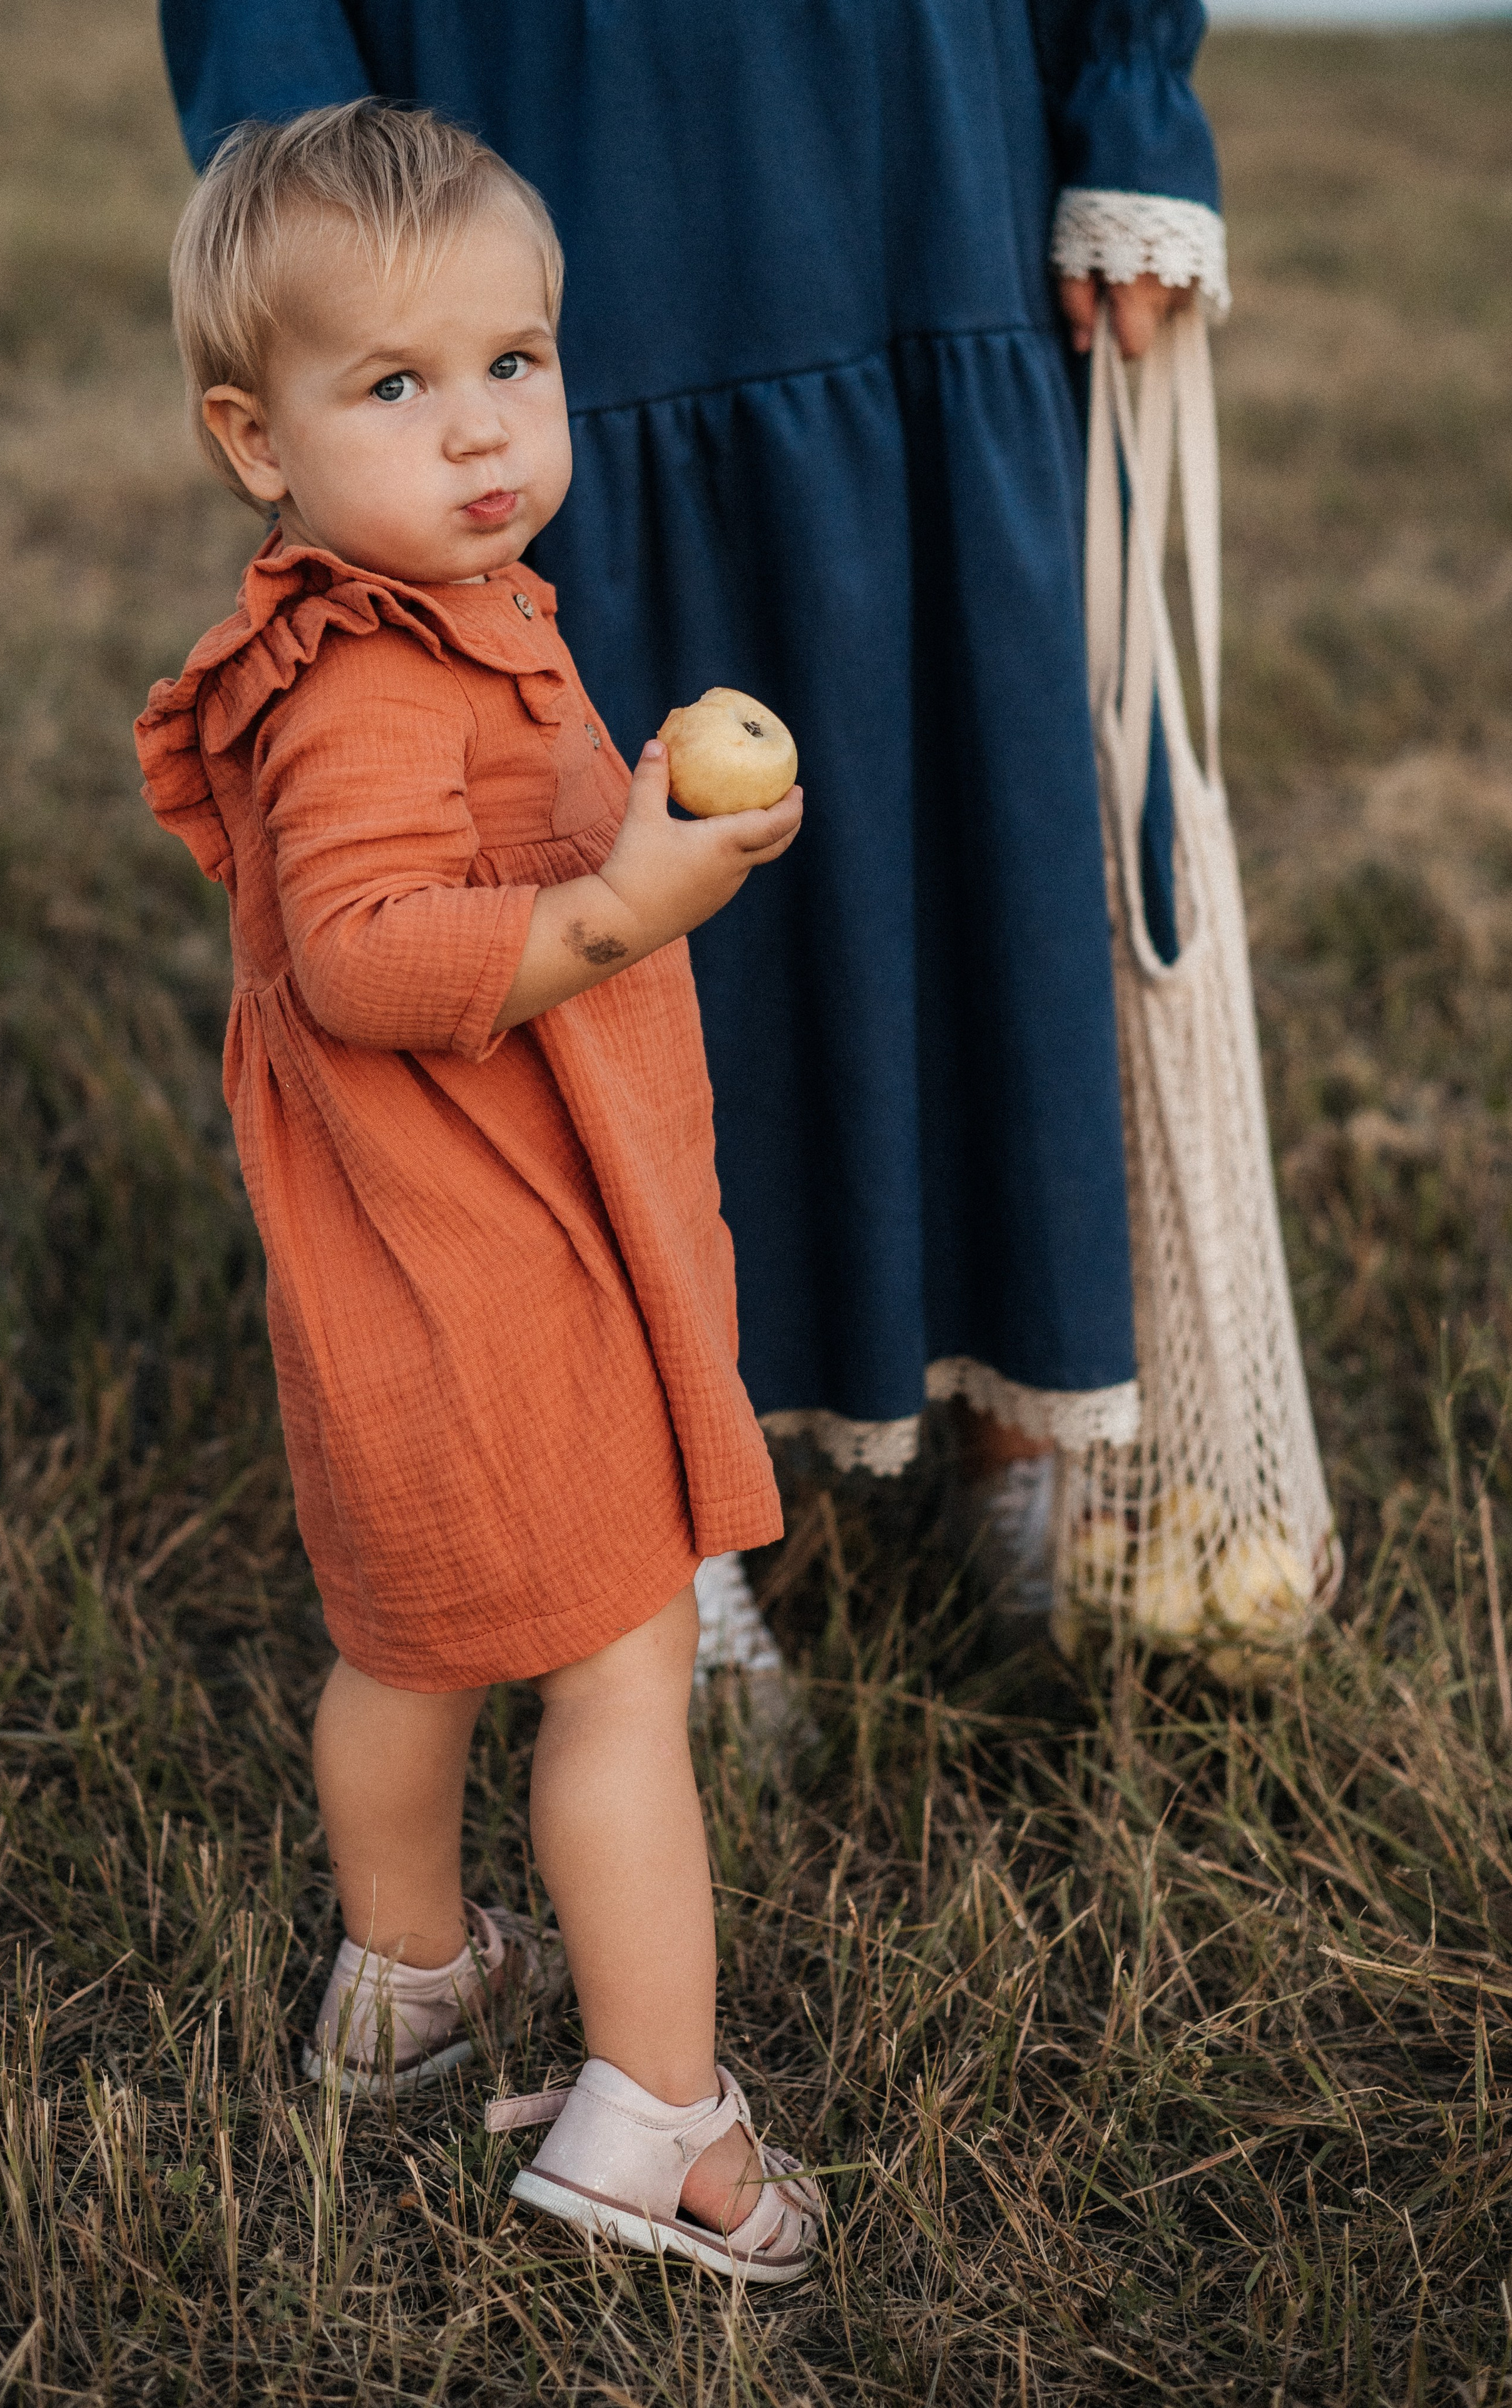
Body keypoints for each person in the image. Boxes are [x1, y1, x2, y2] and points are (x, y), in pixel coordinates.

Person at [157, 1, 1230, 1658]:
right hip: (558, 109)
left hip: (921, 146)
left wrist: (1129, 98)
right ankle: (646, 1487)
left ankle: (1027, 1411)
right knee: (563, 818)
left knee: (977, 809)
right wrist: (311, 184)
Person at [135, 105, 820, 2283]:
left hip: (405, 1271)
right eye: (397, 388)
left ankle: (412, 1982)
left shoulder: (423, 613)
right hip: (486, 1268)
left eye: (514, 364)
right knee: (622, 1680)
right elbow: (365, 954)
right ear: (256, 439)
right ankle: (664, 2130)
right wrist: (629, 901)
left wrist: (642, 836)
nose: (481, 434)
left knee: (405, 1636)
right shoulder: (351, 683)